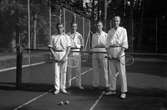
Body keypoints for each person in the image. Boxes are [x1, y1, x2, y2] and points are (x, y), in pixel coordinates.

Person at [105, 16, 128, 99]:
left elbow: (125, 43)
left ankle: (123, 91)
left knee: (122, 73)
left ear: (120, 22)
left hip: (120, 52)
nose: (116, 22)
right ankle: (112, 90)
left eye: (117, 21)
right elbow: (107, 44)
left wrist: (120, 54)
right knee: (111, 73)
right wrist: (109, 54)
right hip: (111, 52)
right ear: (112, 22)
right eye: (114, 21)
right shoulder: (110, 31)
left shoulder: (123, 30)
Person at [49, 23, 72, 95]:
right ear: (57, 28)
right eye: (58, 27)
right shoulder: (53, 36)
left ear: (63, 28)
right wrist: (54, 55)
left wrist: (65, 56)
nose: (60, 29)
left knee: (64, 72)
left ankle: (63, 88)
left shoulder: (67, 37)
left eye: (61, 27)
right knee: (56, 73)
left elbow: (68, 48)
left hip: (64, 53)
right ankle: (57, 89)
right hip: (56, 54)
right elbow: (50, 47)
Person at [91, 21, 109, 89]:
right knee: (95, 69)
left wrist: (100, 45)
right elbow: (93, 45)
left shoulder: (106, 35)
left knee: (105, 69)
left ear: (102, 26)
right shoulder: (94, 35)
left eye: (100, 25)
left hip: (103, 54)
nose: (98, 27)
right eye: (97, 25)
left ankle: (106, 85)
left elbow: (107, 45)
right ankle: (95, 85)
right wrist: (99, 45)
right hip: (95, 53)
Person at [68, 22, 84, 89]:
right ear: (71, 27)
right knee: (69, 70)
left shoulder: (79, 35)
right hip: (70, 53)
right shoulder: (68, 35)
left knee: (78, 70)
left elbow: (82, 45)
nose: (73, 28)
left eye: (75, 26)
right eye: (72, 26)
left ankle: (79, 84)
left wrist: (81, 53)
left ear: (76, 27)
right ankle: (68, 84)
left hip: (77, 53)